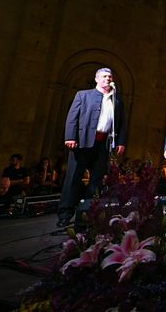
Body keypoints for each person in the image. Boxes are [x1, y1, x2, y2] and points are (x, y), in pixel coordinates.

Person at [57, 67, 127, 228]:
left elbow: (122, 123)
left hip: (103, 144)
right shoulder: (83, 95)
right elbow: (72, 117)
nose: (107, 79)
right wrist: (70, 137)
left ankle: (88, 214)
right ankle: (65, 214)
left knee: (96, 181)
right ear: (96, 79)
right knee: (73, 178)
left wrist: (121, 141)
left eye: (110, 76)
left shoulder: (117, 100)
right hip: (82, 142)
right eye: (104, 76)